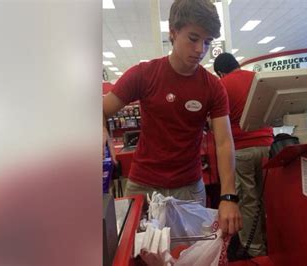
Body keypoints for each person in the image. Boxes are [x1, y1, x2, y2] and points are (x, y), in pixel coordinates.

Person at [102, 0, 242, 236]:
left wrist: (228, 196)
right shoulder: (144, 74)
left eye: (207, 42)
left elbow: (224, 142)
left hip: (189, 187)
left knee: (188, 255)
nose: (200, 49)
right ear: (173, 33)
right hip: (143, 183)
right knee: (138, 254)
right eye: (193, 38)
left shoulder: (213, 87)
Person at [214, 53, 274, 256]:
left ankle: (254, 250)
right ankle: (272, 242)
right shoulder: (257, 79)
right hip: (267, 147)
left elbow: (216, 124)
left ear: (221, 72)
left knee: (248, 201)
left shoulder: (223, 85)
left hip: (241, 151)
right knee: (268, 199)